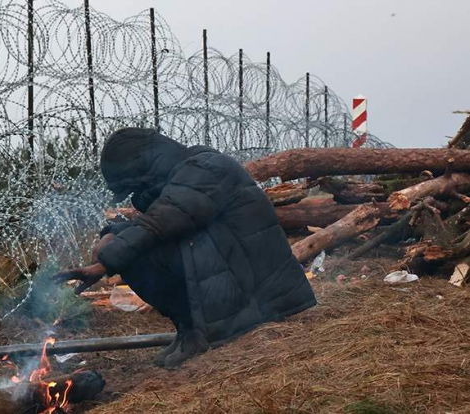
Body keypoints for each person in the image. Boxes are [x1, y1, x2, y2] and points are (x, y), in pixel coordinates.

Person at [53, 128, 317, 369]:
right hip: (242, 277)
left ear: (145, 166)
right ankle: (189, 330)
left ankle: (196, 333)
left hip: (262, 295)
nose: (136, 193)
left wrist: (105, 263)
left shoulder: (205, 168)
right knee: (127, 243)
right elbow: (158, 217)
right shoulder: (188, 170)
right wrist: (111, 236)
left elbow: (161, 221)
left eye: (134, 185)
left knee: (135, 255)